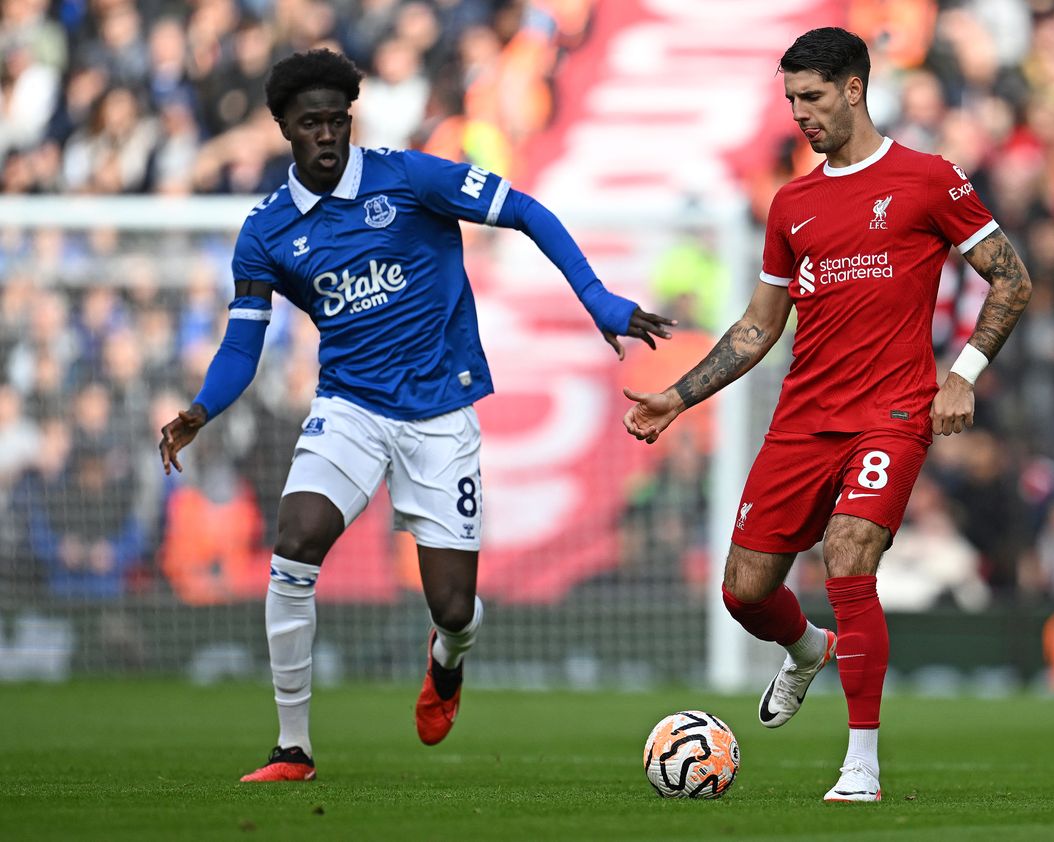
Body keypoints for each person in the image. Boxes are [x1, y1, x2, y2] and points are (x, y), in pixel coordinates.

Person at [158, 48, 673, 782]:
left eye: (338, 120)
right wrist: (201, 409)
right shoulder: (267, 231)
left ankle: (447, 662)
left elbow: (524, 209)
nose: (329, 135)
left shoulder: (411, 177)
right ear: (283, 130)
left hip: (439, 413)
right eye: (312, 124)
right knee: (295, 541)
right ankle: (291, 747)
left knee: (455, 608)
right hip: (350, 409)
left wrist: (599, 300)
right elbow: (243, 345)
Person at [622, 27, 1031, 803]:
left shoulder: (927, 179)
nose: (799, 115)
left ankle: (861, 764)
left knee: (848, 555)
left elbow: (1011, 280)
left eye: (810, 97)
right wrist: (676, 397)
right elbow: (757, 326)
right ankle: (808, 647)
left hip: (895, 411)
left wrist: (962, 374)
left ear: (853, 89)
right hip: (804, 417)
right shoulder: (793, 202)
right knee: (744, 592)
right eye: (790, 100)